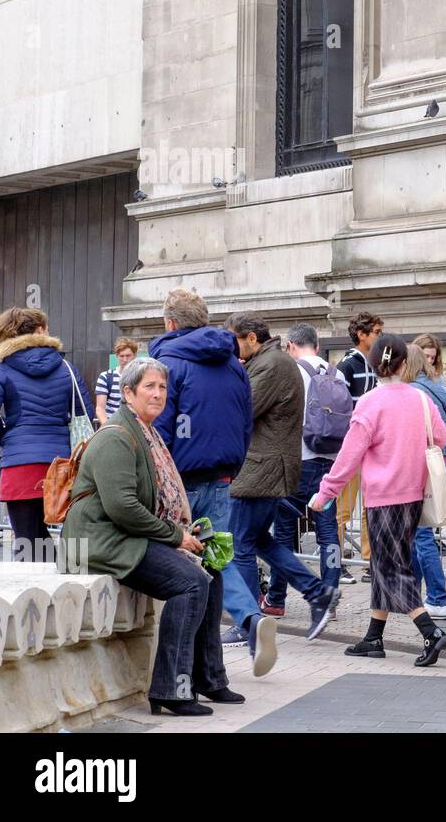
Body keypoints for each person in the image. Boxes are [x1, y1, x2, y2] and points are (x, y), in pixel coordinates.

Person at [61, 358, 241, 716]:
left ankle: (208, 678)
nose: (158, 394)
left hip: (124, 534)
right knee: (191, 582)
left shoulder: (147, 432)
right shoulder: (116, 436)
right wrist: (174, 535)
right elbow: (122, 507)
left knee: (211, 572)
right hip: (98, 541)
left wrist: (184, 534)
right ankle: (170, 689)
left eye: (162, 387)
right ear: (127, 393)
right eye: (149, 387)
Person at [148, 288, 273, 675]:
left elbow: (159, 426)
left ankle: (175, 661)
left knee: (173, 563)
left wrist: (154, 475)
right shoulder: (233, 363)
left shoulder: (167, 361)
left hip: (179, 480)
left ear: (170, 322)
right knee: (215, 559)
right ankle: (249, 618)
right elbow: (244, 420)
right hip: (221, 475)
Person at [310, 333, 446, 666]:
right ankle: (374, 636)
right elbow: (443, 437)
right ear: (405, 363)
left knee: (390, 569)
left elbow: (349, 455)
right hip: (414, 495)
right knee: (384, 564)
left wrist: (326, 491)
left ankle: (430, 632)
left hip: (382, 497)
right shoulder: (420, 399)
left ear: (373, 365)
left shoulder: (369, 403)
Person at [224, 312, 338, 641]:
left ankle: (249, 622)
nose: (232, 349)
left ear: (250, 338)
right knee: (259, 540)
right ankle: (317, 592)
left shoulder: (271, 364)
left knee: (241, 545)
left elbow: (242, 411)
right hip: (265, 466)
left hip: (261, 468)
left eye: (235, 341)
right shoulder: (267, 361)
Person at [0, 307, 94, 562]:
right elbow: (85, 416)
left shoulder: (1, 370)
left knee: (27, 540)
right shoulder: (67, 367)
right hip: (61, 466)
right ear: (41, 330)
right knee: (72, 541)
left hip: (19, 466)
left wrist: (6, 438)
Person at [262, 323, 347, 618]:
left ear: (290, 346)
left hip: (300, 460)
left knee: (284, 532)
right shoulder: (337, 373)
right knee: (328, 533)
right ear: (317, 345)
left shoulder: (293, 371)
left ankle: (276, 599)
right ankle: (330, 596)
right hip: (331, 462)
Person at [404, 341, 446, 620]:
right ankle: (412, 596)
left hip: (417, 466)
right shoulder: (438, 387)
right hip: (440, 463)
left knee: (421, 533)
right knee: (420, 531)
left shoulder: (412, 392)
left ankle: (437, 598)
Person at [336, 311, 384, 583]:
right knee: (344, 509)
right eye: (375, 332)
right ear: (361, 334)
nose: (379, 337)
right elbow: (342, 409)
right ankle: (338, 560)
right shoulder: (347, 365)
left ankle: (369, 560)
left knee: (370, 507)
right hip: (353, 446)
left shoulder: (377, 364)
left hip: (372, 447)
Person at [94, 337, 138, 425]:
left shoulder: (140, 377)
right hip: (113, 426)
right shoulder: (105, 377)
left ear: (134, 355)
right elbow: (100, 408)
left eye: (128, 355)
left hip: (135, 428)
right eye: (122, 356)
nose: (125, 359)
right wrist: (108, 428)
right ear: (117, 356)